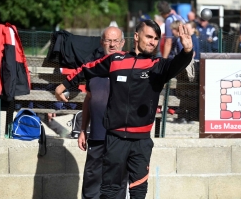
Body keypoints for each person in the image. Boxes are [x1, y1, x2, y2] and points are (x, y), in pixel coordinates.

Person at [55, 19, 193, 198]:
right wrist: (63, 85)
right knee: (110, 190)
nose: (152, 41)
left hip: (141, 142)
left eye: (156, 38)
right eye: (149, 36)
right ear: (136, 36)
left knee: (138, 191)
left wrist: (187, 51)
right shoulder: (116, 60)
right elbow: (86, 69)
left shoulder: (157, 66)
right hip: (114, 139)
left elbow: (177, 64)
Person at [77, 26, 127, 199]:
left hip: (121, 138)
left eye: (116, 41)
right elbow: (89, 99)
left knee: (117, 185)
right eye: (108, 40)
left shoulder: (130, 67)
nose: (112, 45)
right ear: (101, 42)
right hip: (97, 137)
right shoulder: (92, 68)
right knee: (91, 185)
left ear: (122, 43)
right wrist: (83, 129)